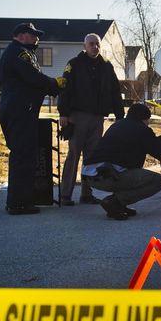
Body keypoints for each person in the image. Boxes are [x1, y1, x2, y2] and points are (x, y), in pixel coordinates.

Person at [0, 22, 63, 215]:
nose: (37, 38)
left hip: (19, 108)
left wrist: (51, 85)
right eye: (33, 35)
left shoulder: (21, 53)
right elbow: (33, 78)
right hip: (20, 110)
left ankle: (19, 200)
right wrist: (54, 84)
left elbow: (33, 78)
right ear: (21, 35)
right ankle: (19, 203)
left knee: (22, 154)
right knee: (23, 155)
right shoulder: (19, 53)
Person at [57, 34, 125, 206]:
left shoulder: (106, 67)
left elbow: (115, 92)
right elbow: (65, 89)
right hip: (77, 117)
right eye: (91, 44)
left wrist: (120, 115)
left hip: (97, 118)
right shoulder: (74, 65)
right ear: (84, 46)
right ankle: (65, 195)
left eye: (97, 44)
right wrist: (63, 114)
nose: (95, 47)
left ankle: (87, 194)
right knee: (73, 156)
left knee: (92, 158)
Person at [81, 103, 161, 220]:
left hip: (91, 176)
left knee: (129, 172)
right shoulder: (141, 129)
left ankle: (120, 205)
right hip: (109, 176)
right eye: (148, 120)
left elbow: (149, 142)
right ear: (145, 118)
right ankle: (115, 202)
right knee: (157, 181)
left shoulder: (118, 125)